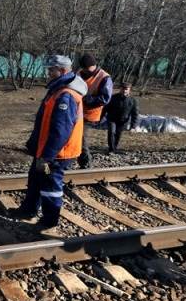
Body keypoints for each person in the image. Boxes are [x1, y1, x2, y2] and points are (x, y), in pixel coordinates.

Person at [9, 55, 86, 230]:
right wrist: (35, 144)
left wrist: (47, 156)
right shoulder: (58, 89)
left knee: (50, 185)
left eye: (52, 70)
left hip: (57, 153)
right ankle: (28, 210)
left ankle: (49, 221)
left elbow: (61, 130)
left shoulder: (66, 95)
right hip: (45, 150)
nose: (48, 73)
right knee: (36, 178)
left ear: (63, 71)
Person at [76, 53, 112, 169]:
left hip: (90, 114)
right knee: (72, 137)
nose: (85, 71)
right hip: (76, 112)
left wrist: (88, 100)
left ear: (93, 65)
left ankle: (86, 164)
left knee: (81, 139)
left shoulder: (104, 77)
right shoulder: (79, 74)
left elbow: (105, 98)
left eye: (87, 68)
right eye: (83, 68)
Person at [101, 83, 139, 153]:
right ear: (120, 89)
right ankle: (111, 149)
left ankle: (114, 147)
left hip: (123, 121)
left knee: (118, 135)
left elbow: (135, 114)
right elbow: (105, 109)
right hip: (112, 119)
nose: (124, 90)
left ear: (129, 90)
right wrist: (99, 118)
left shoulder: (133, 100)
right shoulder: (113, 98)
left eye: (126, 89)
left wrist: (133, 126)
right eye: (122, 88)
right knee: (112, 132)